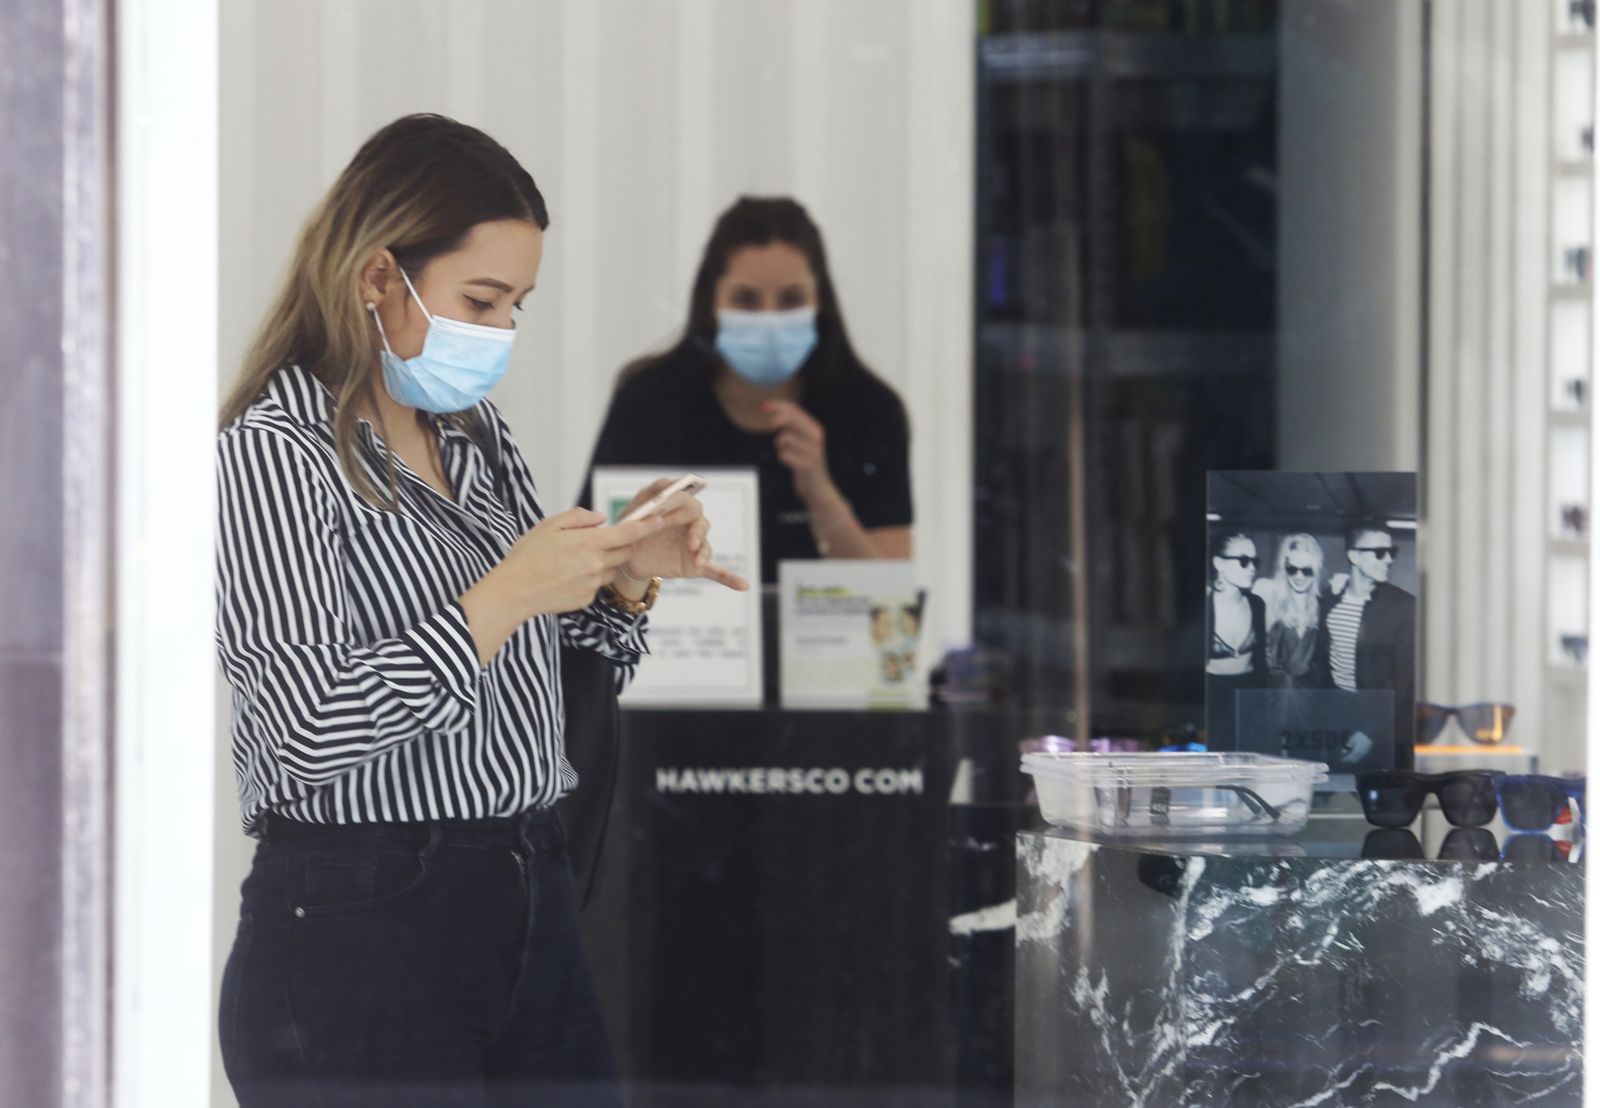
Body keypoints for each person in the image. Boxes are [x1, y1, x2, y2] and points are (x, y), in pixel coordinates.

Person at [213, 113, 747, 1107]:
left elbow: (542, 670)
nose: (501, 332)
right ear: (379, 279)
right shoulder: (273, 451)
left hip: (526, 891)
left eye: (517, 305)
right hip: (360, 925)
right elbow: (297, 734)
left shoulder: (472, 432)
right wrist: (499, 597)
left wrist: (626, 579)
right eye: (482, 299)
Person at [581, 196, 913, 585]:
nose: (769, 319)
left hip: (823, 644)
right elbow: (590, 558)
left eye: (791, 300)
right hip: (673, 642)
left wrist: (822, 496)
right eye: (746, 300)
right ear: (712, 303)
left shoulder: (870, 410)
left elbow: (891, 607)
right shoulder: (649, 401)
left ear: (819, 301)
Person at [1315, 519, 1417, 750]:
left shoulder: (1404, 606)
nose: (1389, 560)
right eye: (1380, 553)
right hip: (1334, 714)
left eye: (1391, 552)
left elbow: (1403, 679)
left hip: (1379, 718)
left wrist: (1371, 730)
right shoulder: (1328, 601)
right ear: (1354, 557)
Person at [1205, 532, 1266, 746]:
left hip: (1248, 694)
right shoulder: (1204, 607)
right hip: (1212, 695)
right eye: (1243, 560)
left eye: (1254, 561)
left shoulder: (1257, 604)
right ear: (1219, 563)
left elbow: (1261, 662)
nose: (1252, 568)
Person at [1253, 533, 1327, 686]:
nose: (1299, 577)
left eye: (1306, 570)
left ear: (1316, 571)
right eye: (1292, 569)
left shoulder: (1322, 606)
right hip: (1273, 692)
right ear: (1284, 569)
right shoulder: (1268, 597)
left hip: (1309, 694)